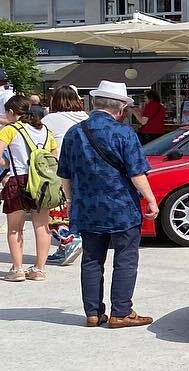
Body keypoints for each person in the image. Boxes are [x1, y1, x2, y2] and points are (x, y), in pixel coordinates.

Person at [56, 82, 159, 327]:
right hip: (121, 206)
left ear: (95, 103)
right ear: (121, 108)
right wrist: (151, 200)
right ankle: (121, 312)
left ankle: (93, 313)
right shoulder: (124, 133)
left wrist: (70, 201)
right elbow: (137, 173)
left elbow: (65, 174)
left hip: (88, 206)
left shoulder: (75, 132)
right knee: (125, 257)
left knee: (92, 258)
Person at [3, 100, 58, 282]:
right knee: (42, 226)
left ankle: (17, 269)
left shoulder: (11, 129)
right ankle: (39, 269)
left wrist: (6, 164)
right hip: (42, 183)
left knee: (14, 228)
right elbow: (54, 157)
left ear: (11, 111)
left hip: (17, 180)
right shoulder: (46, 131)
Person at [42, 86, 87, 268]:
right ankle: (66, 245)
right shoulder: (85, 117)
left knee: (55, 213)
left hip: (58, 171)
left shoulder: (50, 120)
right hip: (84, 170)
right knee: (75, 209)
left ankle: (69, 240)